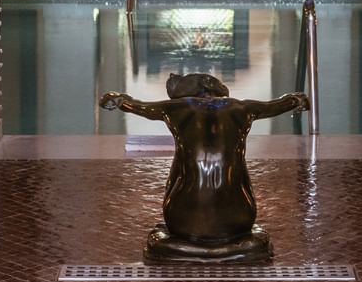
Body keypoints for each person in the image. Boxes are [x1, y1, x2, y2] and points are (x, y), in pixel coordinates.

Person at [101, 72, 309, 262]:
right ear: (209, 84)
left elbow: (136, 105)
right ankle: (232, 245)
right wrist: (296, 99)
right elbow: (278, 104)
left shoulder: (173, 109)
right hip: (239, 218)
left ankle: (187, 245)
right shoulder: (243, 108)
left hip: (183, 220)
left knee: (179, 182)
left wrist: (115, 97)